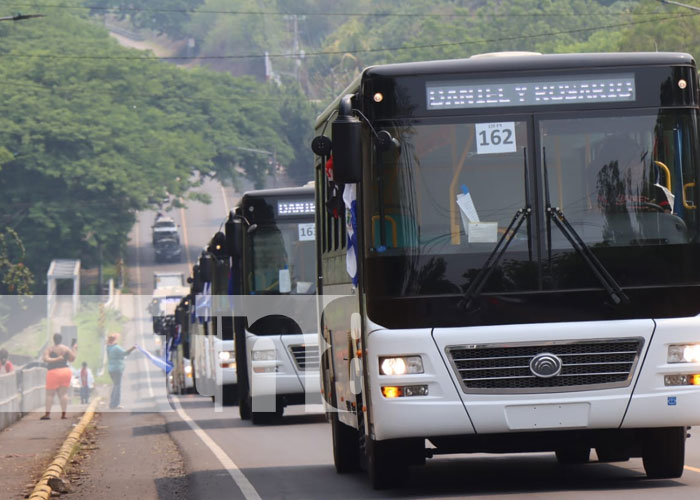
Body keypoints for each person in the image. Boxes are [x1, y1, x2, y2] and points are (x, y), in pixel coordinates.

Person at [41, 333, 77, 420]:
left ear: (54, 340)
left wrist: (55, 359)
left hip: (53, 372)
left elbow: (46, 359)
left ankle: (47, 414)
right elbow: (72, 359)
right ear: (61, 339)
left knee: (49, 394)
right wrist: (74, 349)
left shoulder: (50, 349)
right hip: (65, 371)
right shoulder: (66, 349)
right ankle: (64, 414)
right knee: (63, 394)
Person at [106, 333, 136, 409]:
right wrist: (133, 348)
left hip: (111, 369)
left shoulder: (109, 347)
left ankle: (112, 403)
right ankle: (115, 404)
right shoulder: (116, 347)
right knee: (117, 386)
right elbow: (125, 353)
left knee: (115, 385)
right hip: (117, 369)